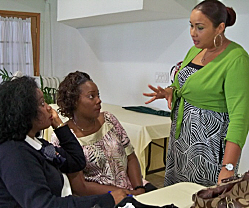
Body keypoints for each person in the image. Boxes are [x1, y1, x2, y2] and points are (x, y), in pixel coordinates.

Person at [143, 0, 249, 187]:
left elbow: (240, 118)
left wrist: (229, 167)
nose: (192, 33)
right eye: (191, 26)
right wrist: (169, 91)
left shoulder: (236, 58)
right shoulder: (195, 51)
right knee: (176, 196)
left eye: (200, 27)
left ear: (220, 28)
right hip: (182, 142)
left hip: (209, 148)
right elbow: (183, 84)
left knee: (201, 198)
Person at [0, 76, 130, 208]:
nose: (49, 108)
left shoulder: (38, 145)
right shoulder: (15, 154)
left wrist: (58, 125)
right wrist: (107, 200)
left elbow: (77, 161)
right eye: (42, 103)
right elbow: (44, 205)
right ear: (25, 112)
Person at [51, 71, 155, 196]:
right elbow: (79, 187)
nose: (99, 100)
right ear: (74, 101)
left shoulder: (109, 120)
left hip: (133, 186)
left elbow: (130, 156)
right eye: (91, 96)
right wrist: (126, 193)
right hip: (104, 198)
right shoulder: (63, 137)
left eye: (98, 95)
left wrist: (139, 188)